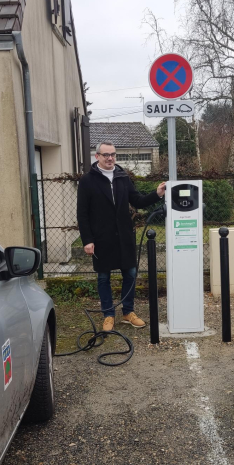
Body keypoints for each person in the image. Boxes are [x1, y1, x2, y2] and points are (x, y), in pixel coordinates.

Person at [77, 140, 166, 331]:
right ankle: (108, 314)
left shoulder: (122, 177)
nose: (110, 158)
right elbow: (82, 213)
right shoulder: (87, 181)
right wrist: (88, 240)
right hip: (101, 238)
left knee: (131, 274)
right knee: (103, 277)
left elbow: (138, 201)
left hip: (124, 236)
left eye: (113, 154)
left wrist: (157, 193)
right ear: (97, 157)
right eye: (106, 155)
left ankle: (128, 312)